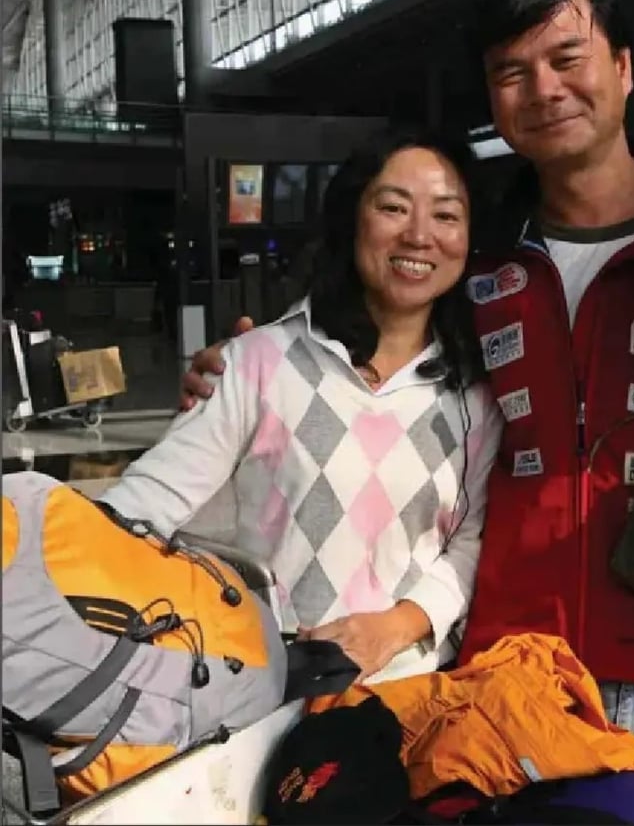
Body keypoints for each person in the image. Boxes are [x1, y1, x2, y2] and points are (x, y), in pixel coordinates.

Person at [178, 0, 634, 822]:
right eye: (511, 72)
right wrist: (243, 368)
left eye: (566, 59)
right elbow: (357, 346)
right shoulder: (473, 256)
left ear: (624, 67)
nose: (543, 89)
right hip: (505, 671)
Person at [103, 125, 503, 684]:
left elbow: (470, 541)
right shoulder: (256, 363)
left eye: (446, 215)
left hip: (411, 694)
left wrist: (394, 627)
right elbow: (145, 505)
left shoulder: (476, 396)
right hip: (260, 691)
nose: (419, 235)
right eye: (393, 207)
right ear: (351, 218)